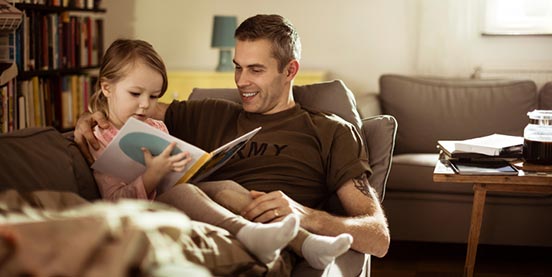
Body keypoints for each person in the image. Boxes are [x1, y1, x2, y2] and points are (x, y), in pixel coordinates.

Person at [76, 14, 390, 271]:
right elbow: (128, 105)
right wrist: (89, 117)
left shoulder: (329, 131)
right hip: (194, 229)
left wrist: (306, 215)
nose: (241, 81)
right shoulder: (209, 113)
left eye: (255, 70)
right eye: (237, 67)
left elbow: (378, 238)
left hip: (264, 250)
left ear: (290, 70)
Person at [86, 38, 301, 265]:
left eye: (153, 96)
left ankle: (306, 241)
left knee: (225, 186)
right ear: (106, 88)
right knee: (185, 193)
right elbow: (113, 204)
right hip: (144, 213)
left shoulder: (155, 126)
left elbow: (173, 175)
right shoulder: (99, 139)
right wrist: (151, 177)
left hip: (172, 199)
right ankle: (250, 233)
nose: (145, 105)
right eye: (135, 94)